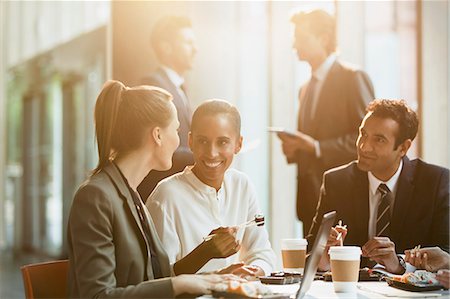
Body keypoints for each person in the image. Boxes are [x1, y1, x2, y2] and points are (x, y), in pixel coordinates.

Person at [67, 81, 242, 298]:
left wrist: (213, 278)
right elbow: (97, 295)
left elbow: (153, 281)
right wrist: (180, 285)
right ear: (157, 135)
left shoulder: (131, 196)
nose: (180, 141)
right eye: (177, 129)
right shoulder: (96, 197)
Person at [309, 99, 449, 274]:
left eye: (379, 140)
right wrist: (324, 256)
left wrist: (399, 264)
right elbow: (310, 252)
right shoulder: (337, 182)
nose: (364, 146)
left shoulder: (435, 182)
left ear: (403, 147)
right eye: (363, 134)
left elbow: (446, 256)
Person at [147, 99, 276, 277]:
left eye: (222, 142)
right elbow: (158, 279)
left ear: (238, 144)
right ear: (190, 141)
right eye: (203, 141)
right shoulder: (166, 196)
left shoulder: (242, 185)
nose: (212, 153)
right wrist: (205, 255)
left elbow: (262, 253)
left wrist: (249, 273)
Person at [276, 9, 374, 235]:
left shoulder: (352, 78)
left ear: (323, 39)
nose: (294, 45)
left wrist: (317, 147)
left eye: (301, 38)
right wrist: (295, 148)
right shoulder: (305, 88)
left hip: (344, 198)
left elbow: (367, 142)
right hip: (309, 200)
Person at [138, 15, 197, 201]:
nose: (195, 49)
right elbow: (157, 143)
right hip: (160, 192)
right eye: (188, 42)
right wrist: (204, 152)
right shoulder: (154, 85)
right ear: (166, 47)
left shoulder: (180, 87)